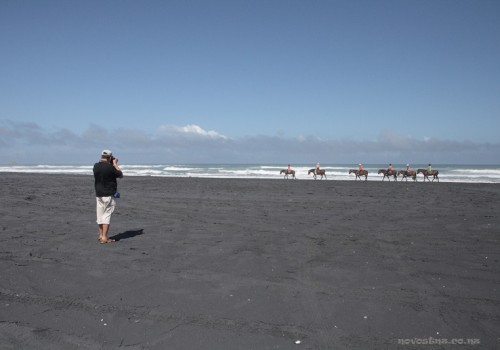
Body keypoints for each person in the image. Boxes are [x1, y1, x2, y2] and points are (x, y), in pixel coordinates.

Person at [93, 150, 123, 244]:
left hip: (99, 194)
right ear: (110, 157)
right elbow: (120, 174)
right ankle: (105, 238)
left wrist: (109, 161)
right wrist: (114, 163)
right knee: (106, 215)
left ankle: (101, 235)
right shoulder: (110, 167)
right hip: (108, 194)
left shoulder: (96, 166)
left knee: (100, 215)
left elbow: (101, 165)